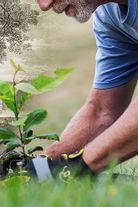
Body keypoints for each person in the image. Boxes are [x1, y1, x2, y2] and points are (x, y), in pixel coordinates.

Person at [19, 0, 138, 180]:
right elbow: (102, 111)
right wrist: (43, 165)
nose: (44, 5)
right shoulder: (109, 17)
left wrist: (78, 166)